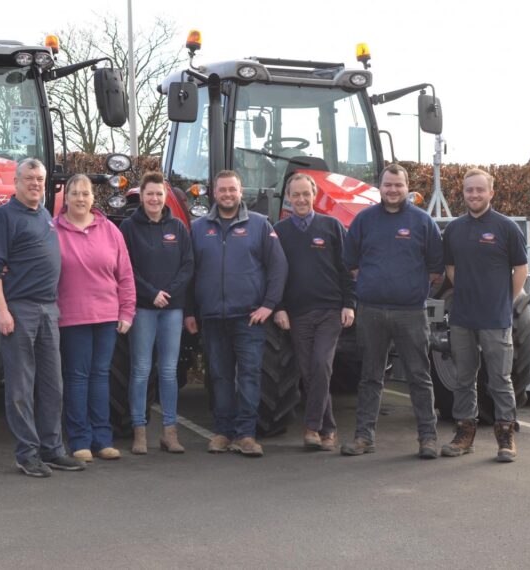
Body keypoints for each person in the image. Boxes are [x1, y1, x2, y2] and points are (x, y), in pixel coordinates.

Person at [0, 158, 85, 478]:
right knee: (21, 387)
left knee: (53, 385)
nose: (35, 183)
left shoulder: (45, 215)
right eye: (29, 178)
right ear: (16, 182)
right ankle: (27, 454)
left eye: (40, 178)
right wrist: (2, 310)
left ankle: (52, 450)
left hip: (48, 310)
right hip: (20, 310)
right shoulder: (4, 217)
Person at [341, 163, 444, 459]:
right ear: (380, 187)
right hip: (371, 311)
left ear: (407, 187)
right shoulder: (364, 220)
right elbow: (351, 263)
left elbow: (436, 269)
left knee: (419, 376)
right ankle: (364, 437)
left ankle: (428, 439)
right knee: (370, 377)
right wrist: (374, 284)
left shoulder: (422, 221)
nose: (393, 190)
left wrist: (408, 287)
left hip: (410, 313)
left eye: (398, 185)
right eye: (387, 185)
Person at [185, 170, 287, 457]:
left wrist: (269, 305)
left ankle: (245, 434)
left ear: (241, 192)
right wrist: (190, 312)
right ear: (214, 193)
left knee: (249, 377)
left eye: (232, 189)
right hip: (212, 318)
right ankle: (222, 432)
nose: (227, 194)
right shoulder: (198, 228)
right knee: (220, 376)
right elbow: (189, 273)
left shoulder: (260, 224)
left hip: (249, 318)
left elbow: (278, 267)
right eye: (222, 190)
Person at [441, 168, 528, 462]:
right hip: (462, 317)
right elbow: (451, 269)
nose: (474, 194)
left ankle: (505, 437)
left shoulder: (506, 228)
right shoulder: (454, 230)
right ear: (463, 193)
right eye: (469, 190)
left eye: (480, 190)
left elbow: (521, 270)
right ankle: (464, 434)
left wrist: (504, 301)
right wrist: (468, 292)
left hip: (495, 319)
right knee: (464, 378)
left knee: (500, 379)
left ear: (491, 192)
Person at [273, 173, 356, 452]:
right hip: (297, 313)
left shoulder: (332, 226)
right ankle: (329, 429)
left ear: (314, 195)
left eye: (306, 194)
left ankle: (311, 427)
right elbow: (275, 274)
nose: (301, 199)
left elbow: (346, 269)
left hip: (330, 311)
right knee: (309, 373)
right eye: (295, 195)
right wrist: (279, 308)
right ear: (288, 197)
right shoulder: (279, 232)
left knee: (321, 364)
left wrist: (349, 303)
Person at [55, 174, 135, 462]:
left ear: (93, 197)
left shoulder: (110, 230)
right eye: (75, 193)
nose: (80, 198)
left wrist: (127, 311)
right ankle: (80, 440)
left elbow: (125, 275)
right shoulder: (53, 230)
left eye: (85, 193)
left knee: (101, 377)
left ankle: (103, 440)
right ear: (66, 198)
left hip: (106, 317)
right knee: (77, 378)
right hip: (72, 317)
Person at [120, 171, 194, 454]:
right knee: (140, 370)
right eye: (149, 194)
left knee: (168, 371)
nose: (154, 199)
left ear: (165, 197)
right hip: (143, 308)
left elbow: (188, 265)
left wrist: (169, 294)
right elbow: (126, 268)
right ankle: (139, 432)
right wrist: (151, 293)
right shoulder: (129, 227)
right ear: (141, 196)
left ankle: (169, 433)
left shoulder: (178, 227)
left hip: (172, 310)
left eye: (159, 194)